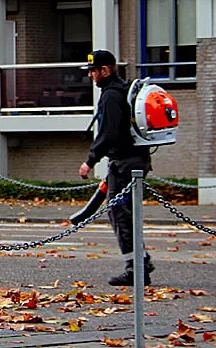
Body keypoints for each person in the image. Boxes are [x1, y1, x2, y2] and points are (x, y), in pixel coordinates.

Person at [79, 50, 154, 286]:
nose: (91, 75)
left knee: (121, 216)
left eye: (94, 70)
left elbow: (109, 133)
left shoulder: (111, 95)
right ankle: (141, 262)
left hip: (124, 163)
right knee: (125, 215)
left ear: (106, 70)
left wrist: (90, 160)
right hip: (133, 160)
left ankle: (136, 269)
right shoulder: (121, 91)